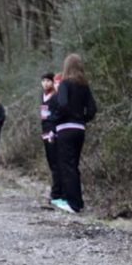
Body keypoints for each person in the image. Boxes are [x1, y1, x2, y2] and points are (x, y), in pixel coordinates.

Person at [49, 54, 97, 213]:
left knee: (67, 165)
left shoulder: (65, 84)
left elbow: (62, 104)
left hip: (65, 130)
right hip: (79, 130)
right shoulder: (85, 86)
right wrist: (81, 119)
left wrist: (55, 119)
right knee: (74, 165)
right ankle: (78, 202)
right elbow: (92, 110)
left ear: (66, 67)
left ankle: (73, 204)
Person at [39, 72, 61, 202]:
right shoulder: (42, 95)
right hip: (45, 131)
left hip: (54, 131)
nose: (45, 83)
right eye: (43, 81)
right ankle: (55, 190)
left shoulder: (56, 96)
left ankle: (56, 192)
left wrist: (53, 131)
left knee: (56, 162)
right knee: (51, 161)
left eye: (48, 81)